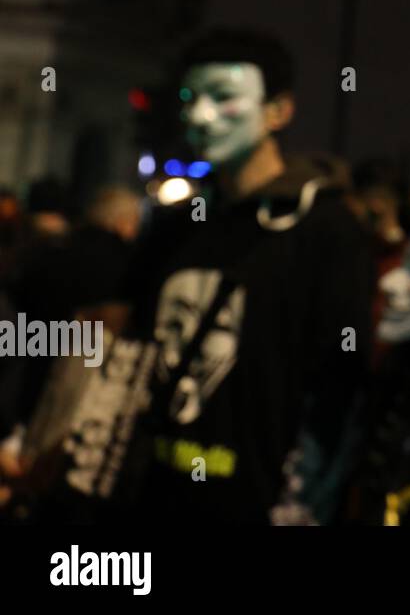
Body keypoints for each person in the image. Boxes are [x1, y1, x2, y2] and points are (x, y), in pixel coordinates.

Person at [92, 28, 374, 524]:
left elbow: (340, 390)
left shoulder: (324, 229)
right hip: (151, 498)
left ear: (278, 112)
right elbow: (125, 339)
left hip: (252, 505)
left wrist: (303, 504)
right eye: (190, 97)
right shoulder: (176, 225)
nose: (200, 115)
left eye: (223, 97)